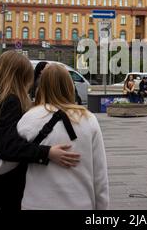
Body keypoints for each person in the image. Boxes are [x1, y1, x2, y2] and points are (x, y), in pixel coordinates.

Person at [0, 51, 81, 210]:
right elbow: (8, 147)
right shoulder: (11, 101)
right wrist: (47, 152)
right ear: (20, 77)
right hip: (2, 184)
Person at [16, 64, 108, 209]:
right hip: (79, 204)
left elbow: (9, 158)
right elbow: (100, 175)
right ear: (69, 86)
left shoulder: (29, 118)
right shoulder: (88, 119)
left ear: (41, 86)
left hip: (37, 204)